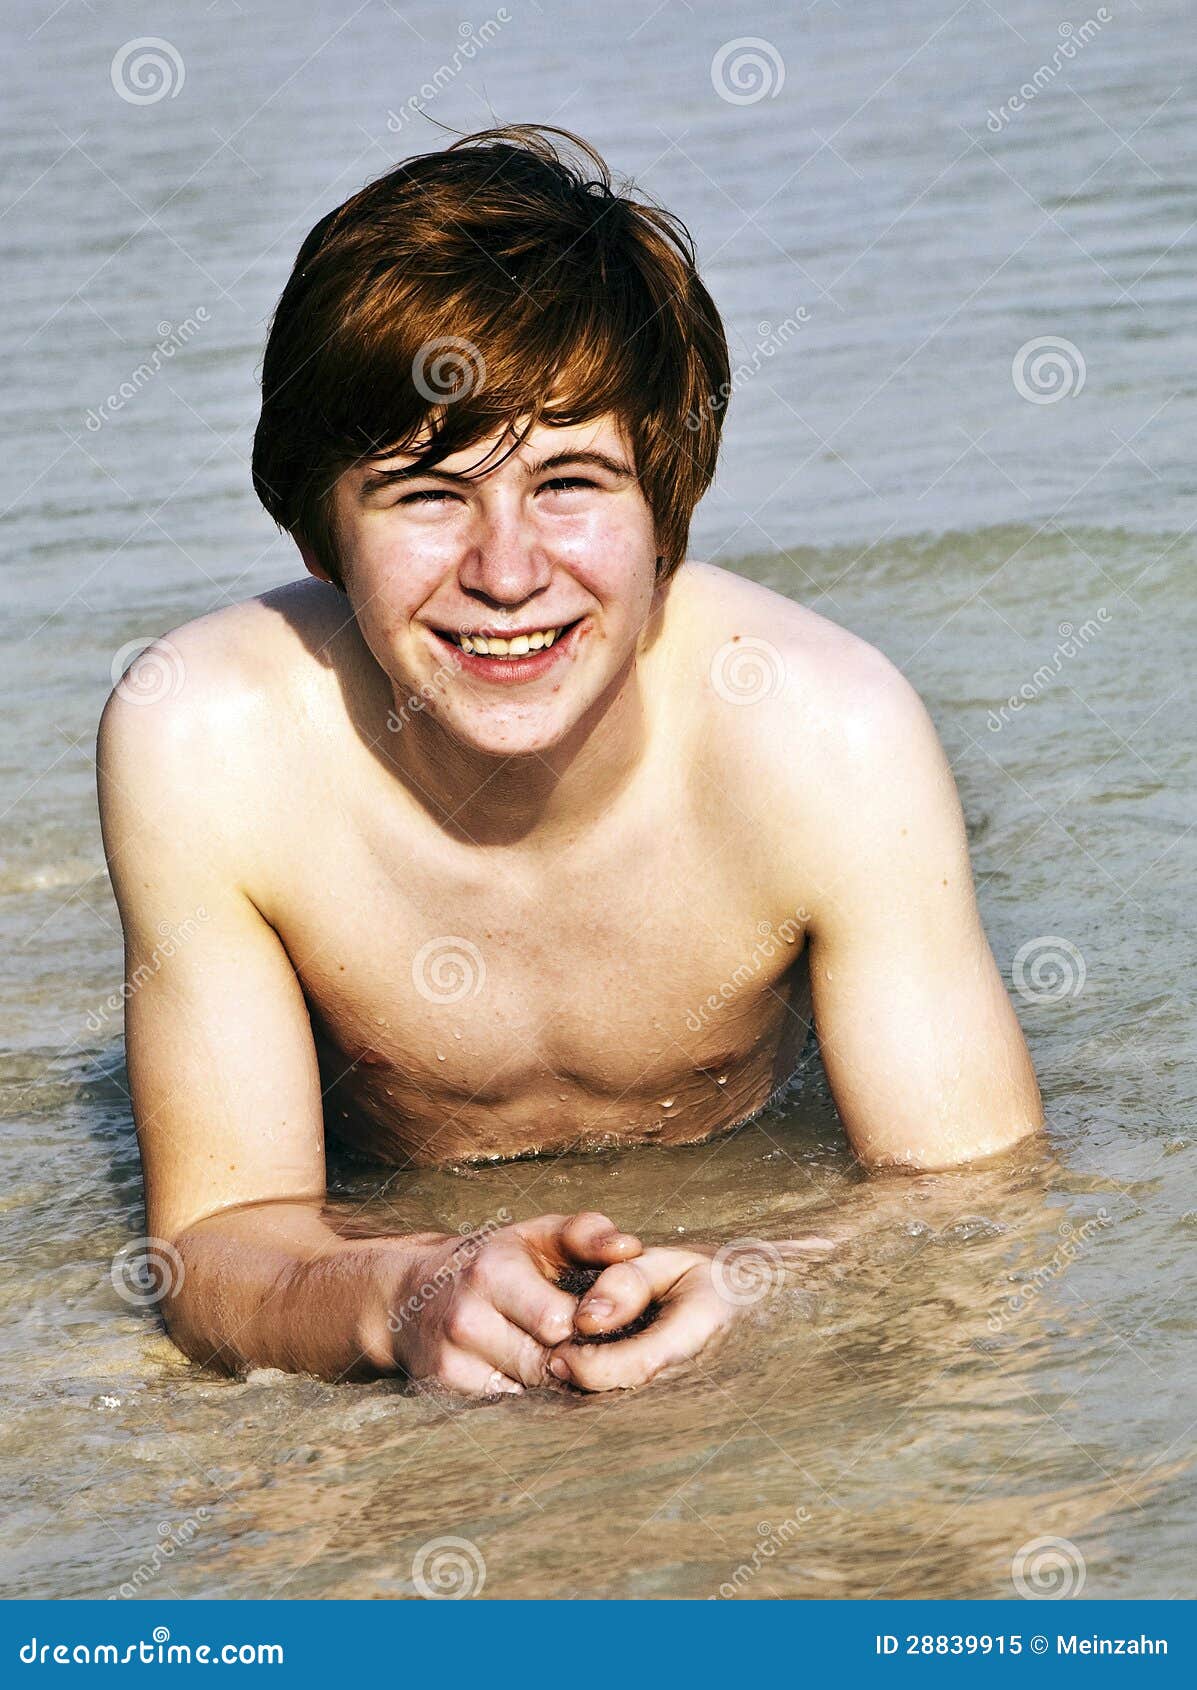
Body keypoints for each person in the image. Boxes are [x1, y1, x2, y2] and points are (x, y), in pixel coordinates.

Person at [96, 125, 1042, 1399]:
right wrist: (405, 1289)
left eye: (571, 482)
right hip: (403, 1195)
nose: (506, 571)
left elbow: (978, 1200)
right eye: (425, 492)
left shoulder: (829, 734)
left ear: (669, 512)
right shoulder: (205, 737)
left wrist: (762, 1273)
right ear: (320, 536)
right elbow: (216, 1243)